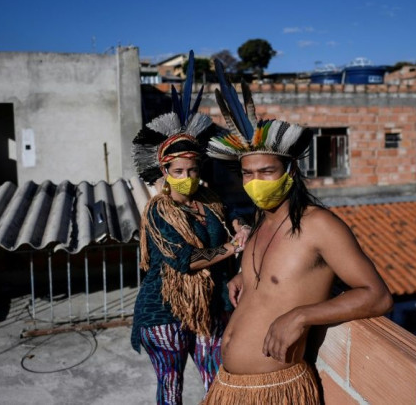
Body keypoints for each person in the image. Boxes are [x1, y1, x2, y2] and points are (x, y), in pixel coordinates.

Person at [202, 64, 393, 404]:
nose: (255, 182)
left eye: (266, 171)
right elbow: (279, 280)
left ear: (290, 170)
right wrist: (246, 276)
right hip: (229, 387)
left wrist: (301, 315)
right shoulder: (260, 220)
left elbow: (377, 296)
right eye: (247, 174)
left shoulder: (318, 225)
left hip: (276, 389)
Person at [130, 51, 250, 405]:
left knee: (217, 381)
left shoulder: (210, 199)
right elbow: (185, 261)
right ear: (164, 173)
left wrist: (240, 225)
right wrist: (233, 248)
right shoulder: (159, 212)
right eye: (178, 172)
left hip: (209, 307)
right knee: (171, 386)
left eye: (193, 170)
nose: (187, 178)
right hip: (163, 314)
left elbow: (230, 214)